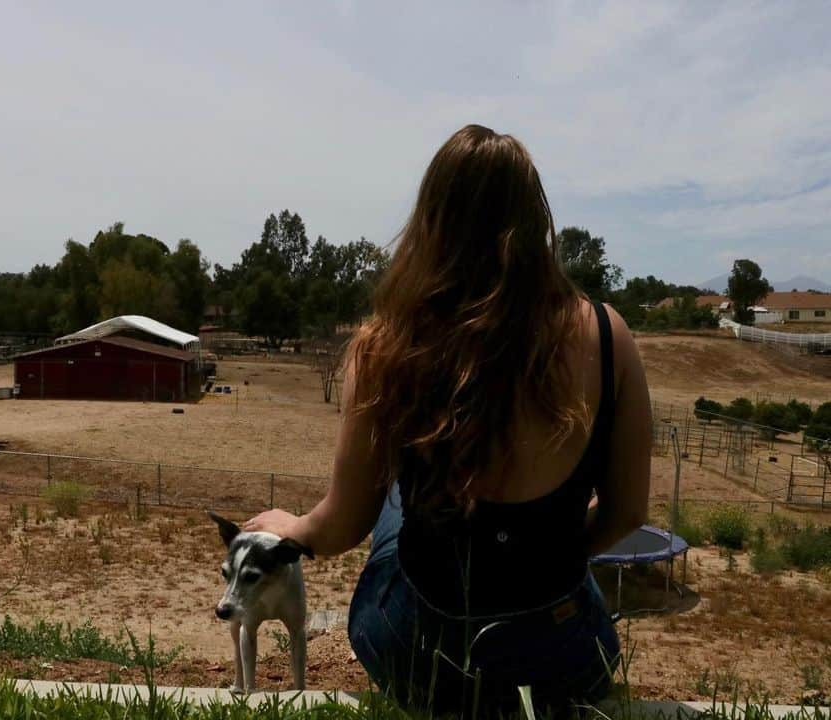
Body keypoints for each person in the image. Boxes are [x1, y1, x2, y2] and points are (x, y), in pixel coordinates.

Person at [243, 124, 652, 717]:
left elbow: (342, 527)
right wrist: (547, 555)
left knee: (389, 501)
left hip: (419, 655)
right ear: (535, 219)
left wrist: (293, 526)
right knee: (549, 548)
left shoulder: (384, 346)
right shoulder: (609, 335)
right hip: (565, 656)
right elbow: (628, 513)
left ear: (431, 221)